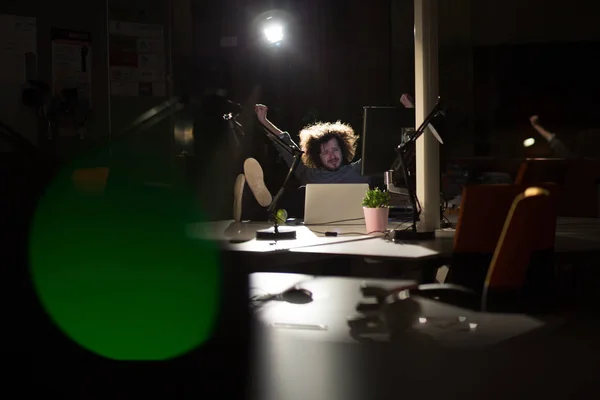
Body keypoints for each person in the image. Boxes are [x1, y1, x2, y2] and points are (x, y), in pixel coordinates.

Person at [255, 104, 370, 185]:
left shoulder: (360, 169)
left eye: (335, 150)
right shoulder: (308, 174)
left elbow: (379, 148)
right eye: (326, 152)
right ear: (317, 156)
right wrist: (264, 121)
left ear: (343, 150)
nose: (332, 156)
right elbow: (286, 144)